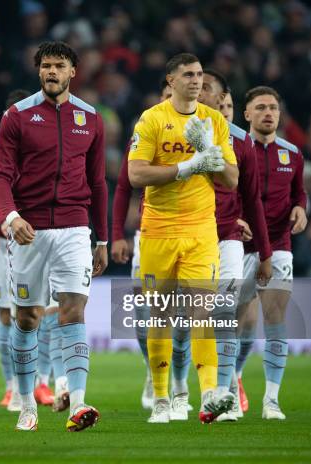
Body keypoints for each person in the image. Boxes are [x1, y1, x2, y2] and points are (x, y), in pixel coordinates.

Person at [0, 41, 108, 432]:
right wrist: (10, 217)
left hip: (75, 228)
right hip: (29, 231)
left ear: (74, 70)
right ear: (38, 71)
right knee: (27, 317)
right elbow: (1, 177)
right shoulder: (16, 117)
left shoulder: (90, 118)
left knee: (74, 310)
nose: (51, 72)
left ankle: (77, 402)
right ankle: (26, 404)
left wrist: (103, 239)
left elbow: (97, 182)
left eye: (59, 65)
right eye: (45, 66)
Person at [127, 53, 239, 424]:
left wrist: (211, 155)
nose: (196, 81)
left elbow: (232, 180)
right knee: (159, 314)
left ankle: (209, 394)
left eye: (200, 75)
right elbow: (136, 175)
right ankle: (161, 399)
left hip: (201, 230)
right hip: (158, 229)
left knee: (201, 311)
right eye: (188, 75)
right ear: (170, 80)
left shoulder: (215, 121)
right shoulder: (153, 119)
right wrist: (187, 167)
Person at [166, 69, 272, 422]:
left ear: (223, 99)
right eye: (198, 84)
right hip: (183, 236)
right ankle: (179, 387)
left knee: (223, 314)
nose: (200, 89)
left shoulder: (242, 142)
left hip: (225, 238)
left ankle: (220, 396)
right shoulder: (170, 127)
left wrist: (264, 251)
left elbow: (252, 198)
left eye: (209, 88)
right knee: (184, 323)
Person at [0, 88, 57, 410]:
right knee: (9, 314)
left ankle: (43, 383)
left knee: (47, 310)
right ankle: (11, 387)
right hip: (3, 239)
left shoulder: (50, 142)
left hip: (43, 234)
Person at [235, 86, 307, 420]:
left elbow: (299, 193)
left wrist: (301, 209)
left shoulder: (292, 153)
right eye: (261, 107)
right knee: (235, 321)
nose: (269, 113)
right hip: (238, 245)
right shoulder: (235, 148)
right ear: (246, 114)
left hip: (278, 245)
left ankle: (271, 400)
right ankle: (231, 381)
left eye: (274, 108)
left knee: (276, 318)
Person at [111, 79, 172, 411]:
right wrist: (117, 234)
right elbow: (123, 187)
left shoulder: (199, 135)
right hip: (149, 233)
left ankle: (181, 383)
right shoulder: (145, 134)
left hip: (195, 233)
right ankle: (153, 371)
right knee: (143, 311)